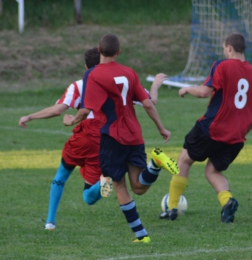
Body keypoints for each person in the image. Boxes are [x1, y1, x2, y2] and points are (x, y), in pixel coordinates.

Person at [18, 47, 170, 230]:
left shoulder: (79, 85)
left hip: (85, 136)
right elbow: (149, 102)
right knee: (90, 196)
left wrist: (31, 116)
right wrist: (155, 86)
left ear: (86, 66)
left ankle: (50, 221)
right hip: (109, 139)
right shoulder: (122, 79)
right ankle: (105, 180)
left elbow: (58, 109)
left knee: (62, 173)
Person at [63, 33, 179, 243]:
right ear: (118, 52)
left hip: (111, 136)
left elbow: (87, 107)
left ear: (99, 50)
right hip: (134, 135)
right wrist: (162, 128)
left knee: (119, 187)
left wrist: (72, 120)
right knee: (138, 187)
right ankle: (155, 163)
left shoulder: (93, 74)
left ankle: (141, 236)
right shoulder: (130, 73)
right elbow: (147, 103)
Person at [159, 33, 252, 223]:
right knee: (212, 171)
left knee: (184, 159)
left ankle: (172, 208)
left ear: (228, 48)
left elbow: (203, 92)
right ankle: (228, 201)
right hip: (236, 137)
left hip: (213, 128)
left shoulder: (222, 65)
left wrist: (186, 89)